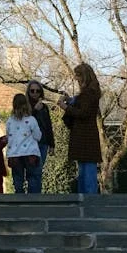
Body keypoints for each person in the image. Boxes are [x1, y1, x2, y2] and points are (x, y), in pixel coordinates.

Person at [57, 62, 102, 194]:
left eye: (78, 76)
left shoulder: (90, 93)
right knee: (83, 174)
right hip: (84, 139)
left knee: (88, 177)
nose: (76, 79)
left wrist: (65, 107)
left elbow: (83, 112)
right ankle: (85, 201)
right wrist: (71, 101)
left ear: (84, 76)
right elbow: (82, 105)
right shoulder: (89, 94)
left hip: (86, 139)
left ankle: (89, 203)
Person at [6, 93, 42, 194]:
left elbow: (8, 136)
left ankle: (19, 200)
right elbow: (37, 136)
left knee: (18, 179)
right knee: (33, 177)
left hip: (15, 154)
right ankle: (33, 201)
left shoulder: (9, 121)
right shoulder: (31, 120)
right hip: (30, 153)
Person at [26, 80, 55, 194]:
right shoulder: (25, 106)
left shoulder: (44, 107)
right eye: (32, 91)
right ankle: (33, 196)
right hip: (29, 142)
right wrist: (34, 111)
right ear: (28, 92)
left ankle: (36, 195)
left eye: (38, 91)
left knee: (38, 170)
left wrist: (52, 145)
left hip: (43, 142)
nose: (35, 93)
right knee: (33, 170)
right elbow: (24, 123)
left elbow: (48, 125)